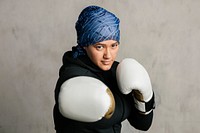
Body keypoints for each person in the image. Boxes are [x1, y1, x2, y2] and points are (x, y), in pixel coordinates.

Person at [53, 5, 155, 133]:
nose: (108, 55)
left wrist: (145, 99)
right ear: (85, 45)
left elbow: (143, 124)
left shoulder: (118, 71)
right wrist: (131, 101)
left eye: (113, 45)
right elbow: (105, 118)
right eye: (99, 47)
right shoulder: (72, 77)